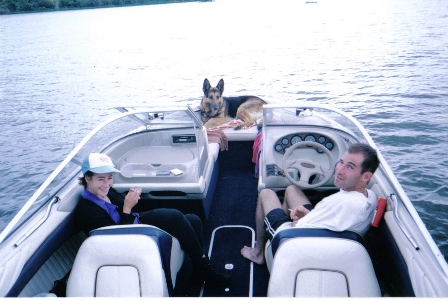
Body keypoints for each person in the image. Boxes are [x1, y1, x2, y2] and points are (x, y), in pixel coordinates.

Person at [73, 152, 232, 288]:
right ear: (88, 178)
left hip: (134, 223)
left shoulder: (106, 192)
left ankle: (199, 267)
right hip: (128, 239)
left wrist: (130, 198)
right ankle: (204, 269)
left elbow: (122, 209)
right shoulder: (88, 211)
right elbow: (118, 239)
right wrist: (128, 207)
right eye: (101, 179)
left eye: (109, 178)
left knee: (193, 220)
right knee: (175, 217)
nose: (107, 184)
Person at [241, 143, 380, 265]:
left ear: (366, 176)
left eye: (350, 167)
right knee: (291, 189)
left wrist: (296, 219)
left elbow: (295, 232)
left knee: (266, 193)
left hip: (291, 241)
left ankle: (259, 253)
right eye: (341, 162)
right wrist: (308, 215)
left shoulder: (338, 203)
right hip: (327, 237)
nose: (339, 170)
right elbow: (332, 219)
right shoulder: (370, 196)